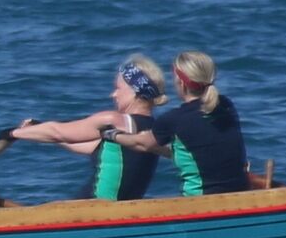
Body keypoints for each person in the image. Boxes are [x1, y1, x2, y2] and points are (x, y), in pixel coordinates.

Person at [15, 60, 170, 202]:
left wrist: (13, 133)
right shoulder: (154, 130)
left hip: (94, 209)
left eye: (118, 88)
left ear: (135, 91)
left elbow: (57, 132)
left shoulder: (114, 121)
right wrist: (37, 128)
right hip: (123, 211)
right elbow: (81, 144)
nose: (113, 94)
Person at [151, 48, 255, 194]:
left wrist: (114, 135)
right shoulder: (226, 105)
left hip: (201, 202)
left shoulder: (174, 120)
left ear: (181, 83)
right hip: (239, 194)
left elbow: (141, 143)